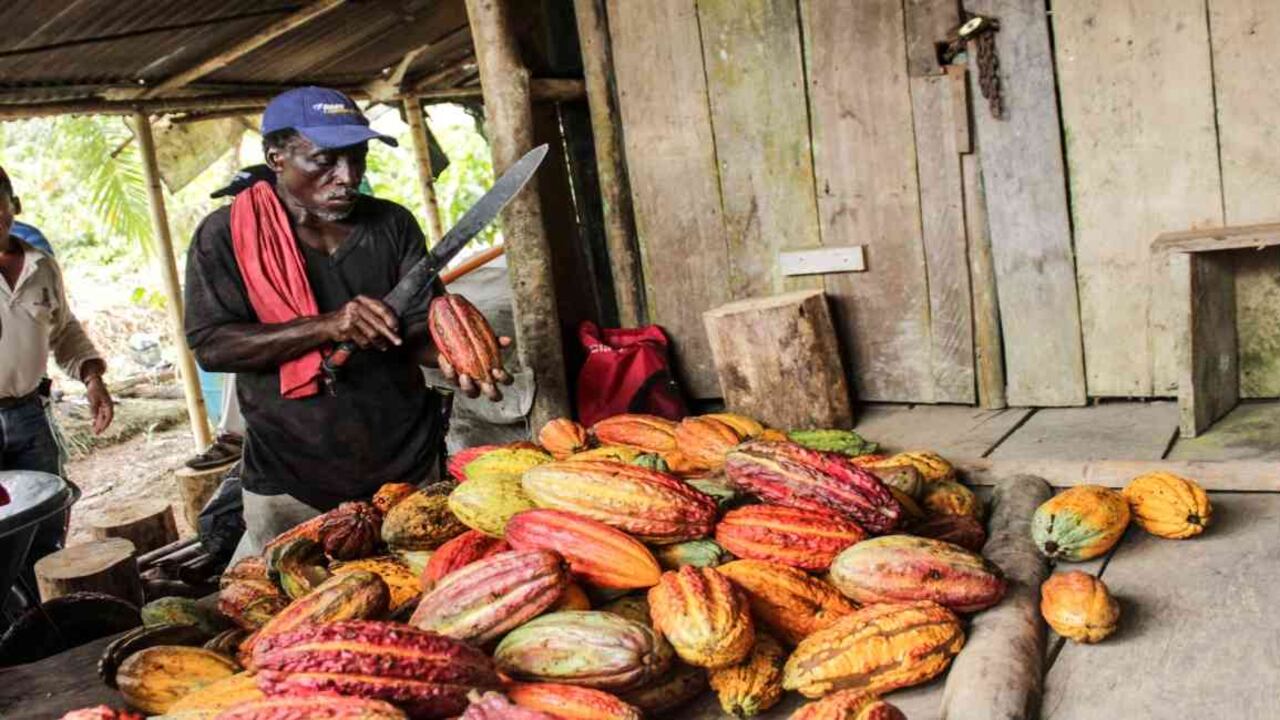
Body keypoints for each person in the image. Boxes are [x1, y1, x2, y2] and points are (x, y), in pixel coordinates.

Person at [184, 87, 508, 560]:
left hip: (407, 466)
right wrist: (328, 326)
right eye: (325, 160)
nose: (348, 176)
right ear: (276, 157)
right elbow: (213, 345)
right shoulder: (227, 236)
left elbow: (418, 329)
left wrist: (456, 356)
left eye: (358, 158)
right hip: (291, 478)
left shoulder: (392, 225)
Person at [0, 165, 114, 588]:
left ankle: (38, 614)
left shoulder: (40, 265)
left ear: (14, 205)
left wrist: (91, 377)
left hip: (30, 414)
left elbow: (62, 329)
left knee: (46, 519)